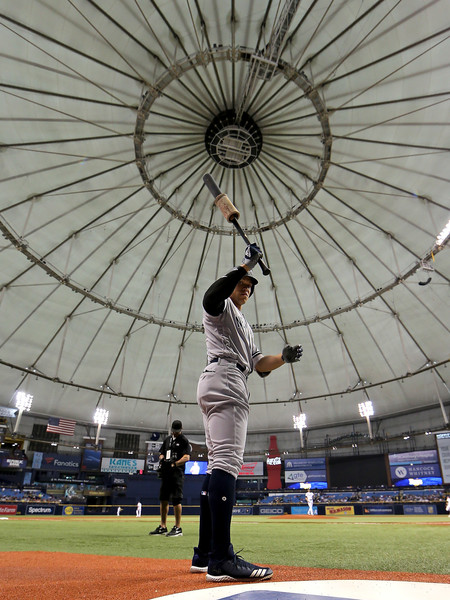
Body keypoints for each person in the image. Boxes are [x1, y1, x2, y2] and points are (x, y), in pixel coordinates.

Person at [191, 243, 303, 582]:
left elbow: (259, 366)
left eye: (249, 288)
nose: (246, 290)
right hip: (226, 380)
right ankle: (221, 558)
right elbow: (210, 296)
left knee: (216, 465)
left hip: (220, 379)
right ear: (235, 283)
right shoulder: (222, 305)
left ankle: (204, 553)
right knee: (227, 464)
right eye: (243, 285)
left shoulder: (245, 325)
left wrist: (281, 357)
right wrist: (244, 266)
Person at [149, 419, 191, 537]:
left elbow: (187, 457)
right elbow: (161, 452)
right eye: (174, 431)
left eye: (177, 431)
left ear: (181, 430)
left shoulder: (184, 441)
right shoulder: (167, 440)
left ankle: (178, 527)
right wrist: (162, 459)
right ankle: (163, 526)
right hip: (166, 473)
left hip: (177, 473)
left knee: (176, 500)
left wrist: (175, 463)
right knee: (163, 499)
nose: (176, 433)